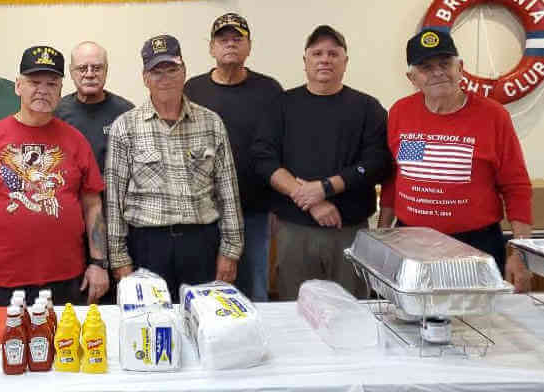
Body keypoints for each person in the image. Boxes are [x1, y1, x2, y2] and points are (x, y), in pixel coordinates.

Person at [0, 45, 109, 305]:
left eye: (52, 83)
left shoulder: (76, 140)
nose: (43, 90)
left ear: (60, 89)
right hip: (1, 281)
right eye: (34, 82)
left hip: (69, 277)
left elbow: (92, 204)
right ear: (17, 86)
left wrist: (99, 262)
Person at [378, 29, 532, 291]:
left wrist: (521, 254)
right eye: (426, 67)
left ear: (460, 68)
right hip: (412, 245)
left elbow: (516, 187)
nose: (438, 72)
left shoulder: (493, 116)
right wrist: (382, 235)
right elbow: (396, 177)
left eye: (445, 64)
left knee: (476, 328)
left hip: (476, 246)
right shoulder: (401, 112)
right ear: (412, 77)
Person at [250, 25, 391, 300]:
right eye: (317, 53)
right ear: (305, 61)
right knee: (296, 312)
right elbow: (263, 158)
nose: (324, 59)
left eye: (333, 53)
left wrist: (326, 187)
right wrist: (311, 199)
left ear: (345, 61)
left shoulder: (367, 107)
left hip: (349, 231)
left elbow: (377, 162)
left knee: (352, 313)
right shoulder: (281, 104)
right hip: (294, 230)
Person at [106, 34, 244, 302]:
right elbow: (114, 201)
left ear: (184, 72)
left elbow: (228, 192)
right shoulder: (125, 126)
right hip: (147, 246)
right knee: (152, 326)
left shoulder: (211, 123)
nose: (165, 77)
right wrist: (119, 260)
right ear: (145, 78)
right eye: (156, 71)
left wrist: (230, 251)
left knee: (202, 322)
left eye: (172, 69)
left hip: (201, 243)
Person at [184, 12, 283, 302]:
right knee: (206, 291)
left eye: (237, 38)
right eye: (222, 39)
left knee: (254, 289)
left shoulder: (270, 90)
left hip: (254, 210)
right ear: (211, 48)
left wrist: (278, 204)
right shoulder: (192, 89)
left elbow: (280, 149)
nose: (230, 44)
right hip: (203, 211)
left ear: (249, 46)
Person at [55, 41, 134, 174]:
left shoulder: (127, 113)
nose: (90, 74)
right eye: (82, 68)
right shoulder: (56, 112)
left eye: (97, 68)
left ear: (106, 70)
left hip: (113, 193)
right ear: (71, 71)